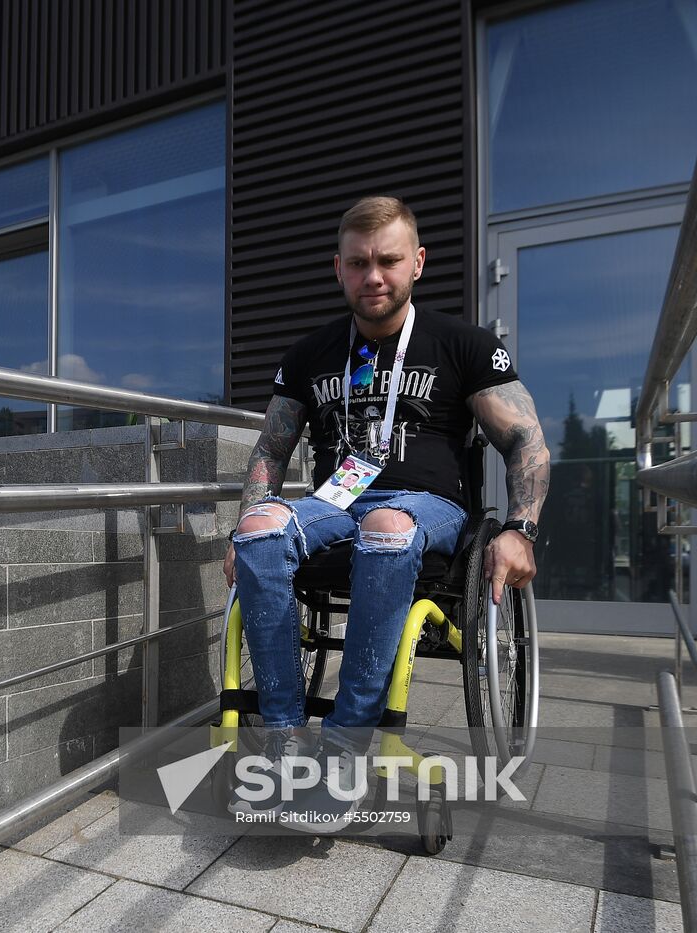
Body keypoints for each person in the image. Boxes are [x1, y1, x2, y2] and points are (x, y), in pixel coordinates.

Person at [222, 196, 550, 830]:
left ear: (418, 262)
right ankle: (286, 740)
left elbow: (526, 439)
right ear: (338, 269)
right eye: (359, 262)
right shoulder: (311, 354)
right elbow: (269, 449)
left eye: (389, 261)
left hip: (428, 509)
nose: (374, 276)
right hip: (333, 505)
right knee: (259, 530)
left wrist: (520, 529)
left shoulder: (464, 346)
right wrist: (246, 519)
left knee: (388, 526)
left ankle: (346, 746)